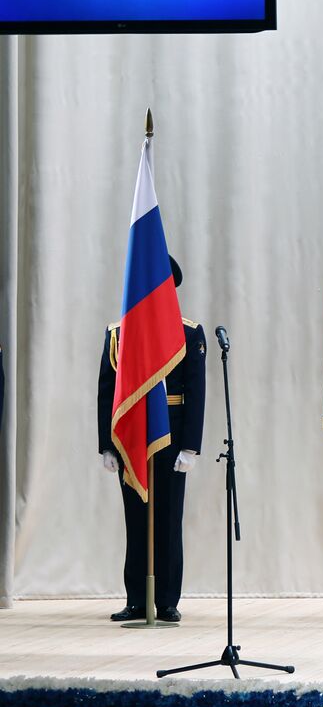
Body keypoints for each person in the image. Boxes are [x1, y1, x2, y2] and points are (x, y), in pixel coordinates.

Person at [96, 256, 206, 623]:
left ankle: (168, 599)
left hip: (172, 437)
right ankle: (137, 599)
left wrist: (191, 445)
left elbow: (196, 391)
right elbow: (106, 392)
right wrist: (107, 444)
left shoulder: (188, 333)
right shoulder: (119, 333)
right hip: (132, 436)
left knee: (169, 519)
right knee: (136, 518)